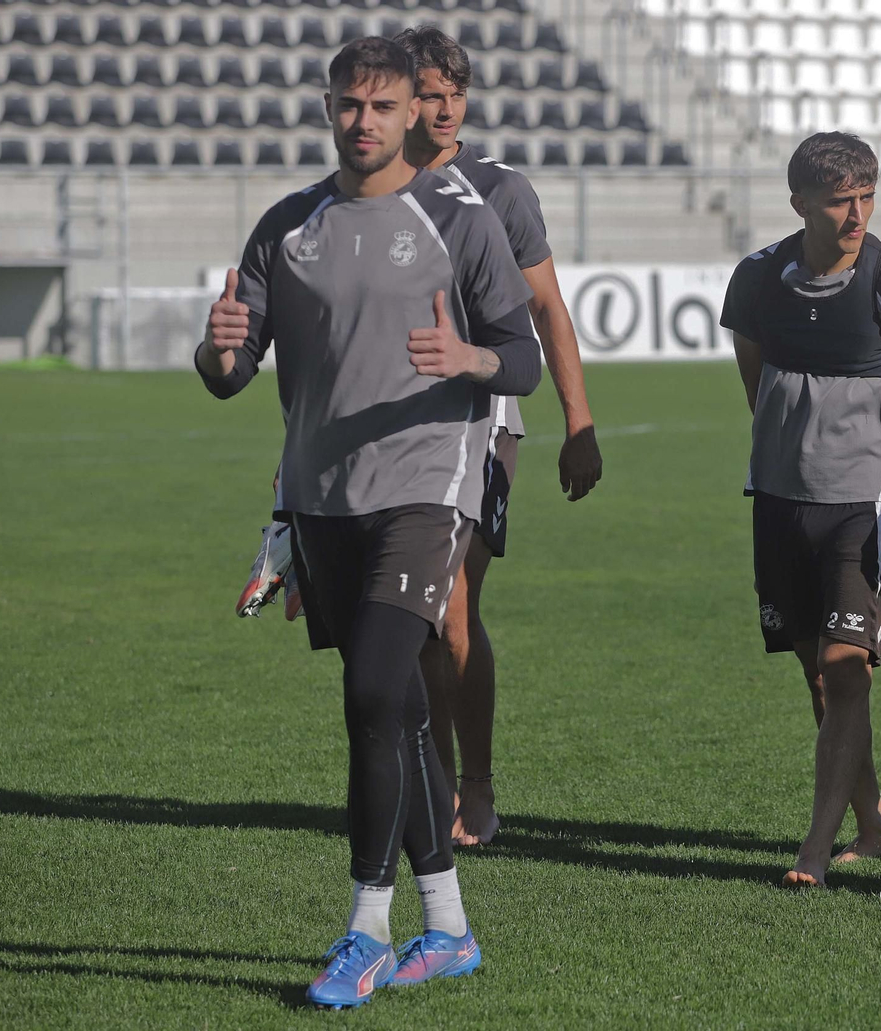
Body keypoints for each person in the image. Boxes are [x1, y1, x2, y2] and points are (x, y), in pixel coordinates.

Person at [195, 37, 540, 1007]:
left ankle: (365, 929)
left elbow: (521, 358)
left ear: (409, 115)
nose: (364, 122)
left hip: (430, 484)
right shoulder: (287, 226)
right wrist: (216, 352)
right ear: (329, 107)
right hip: (323, 494)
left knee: (376, 685)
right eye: (349, 105)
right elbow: (233, 370)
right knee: (398, 706)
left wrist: (468, 359)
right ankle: (452, 926)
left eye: (382, 107)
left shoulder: (459, 221)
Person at [721, 132, 881, 888]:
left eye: (866, 196)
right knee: (818, 677)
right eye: (839, 199)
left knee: (847, 666)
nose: (857, 213)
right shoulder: (757, 279)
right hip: (780, 501)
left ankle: (815, 849)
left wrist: (872, 450)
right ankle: (874, 825)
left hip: (862, 507)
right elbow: (755, 379)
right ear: (800, 204)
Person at [392, 25, 603, 847]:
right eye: (430, 94)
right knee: (406, 618)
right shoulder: (374, 188)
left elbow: (547, 309)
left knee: (451, 608)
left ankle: (473, 786)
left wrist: (577, 422)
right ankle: (432, 781)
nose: (445, 109)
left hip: (485, 422)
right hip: (393, 427)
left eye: (456, 93)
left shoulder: (500, 190)